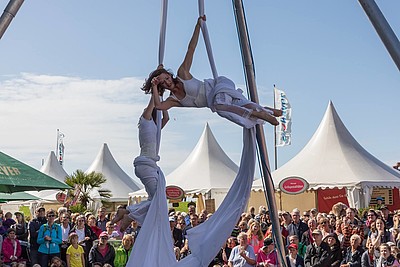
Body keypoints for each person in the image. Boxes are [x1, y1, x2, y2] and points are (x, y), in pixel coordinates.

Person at [145, 16, 282, 129]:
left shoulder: (183, 75)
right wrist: (154, 87)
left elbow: (191, 49)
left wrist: (198, 26)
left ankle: (258, 113)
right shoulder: (173, 100)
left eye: (167, 78)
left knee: (220, 108)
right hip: (223, 101)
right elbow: (159, 106)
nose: (167, 82)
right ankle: (266, 111)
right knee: (237, 109)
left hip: (219, 86)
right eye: (163, 83)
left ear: (170, 75)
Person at [111, 91, 169, 231]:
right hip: (146, 165)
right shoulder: (144, 121)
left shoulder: (155, 128)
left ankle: (127, 212)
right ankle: (130, 214)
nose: (145, 110)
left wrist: (162, 99)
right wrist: (156, 89)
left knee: (155, 200)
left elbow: (166, 117)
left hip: (149, 165)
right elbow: (152, 104)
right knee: (158, 201)